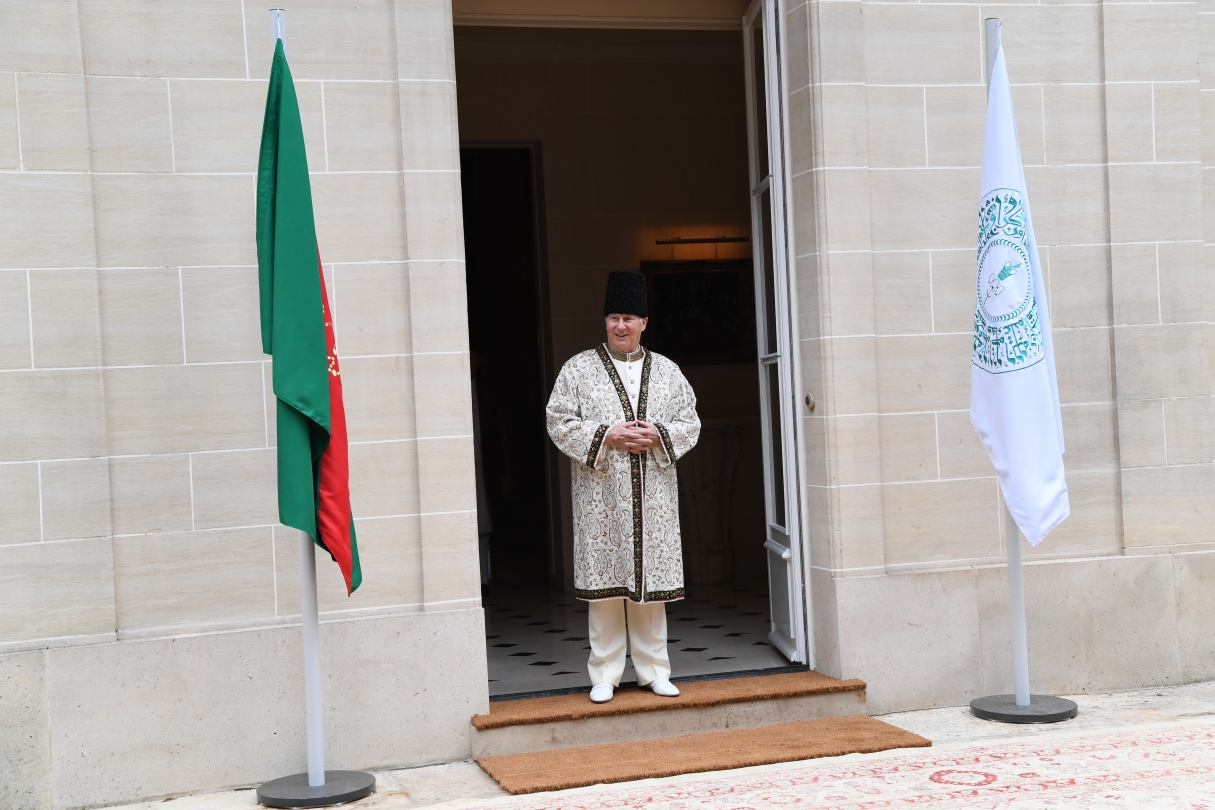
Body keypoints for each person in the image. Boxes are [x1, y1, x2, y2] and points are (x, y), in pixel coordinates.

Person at [545, 270, 701, 703]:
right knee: (606, 587)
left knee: (651, 586)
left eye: (628, 318)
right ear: (605, 321)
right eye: (613, 317)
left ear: (644, 322)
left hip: (654, 498)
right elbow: (557, 420)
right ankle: (605, 674)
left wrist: (658, 436)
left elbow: (690, 422)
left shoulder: (667, 372)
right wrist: (606, 435)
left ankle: (654, 672)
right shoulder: (578, 369)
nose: (620, 326)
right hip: (601, 496)